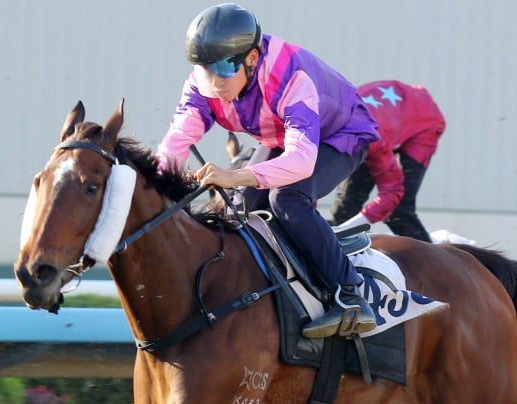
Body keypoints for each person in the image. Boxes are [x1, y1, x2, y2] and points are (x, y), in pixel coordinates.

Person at [155, 3, 380, 338]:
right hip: (283, 135)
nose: (214, 82)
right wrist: (157, 184)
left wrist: (233, 176)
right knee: (241, 206)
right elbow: (176, 143)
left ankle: (349, 295)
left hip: (339, 134)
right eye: (205, 69)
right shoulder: (202, 86)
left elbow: (301, 161)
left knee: (287, 198)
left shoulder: (290, 77)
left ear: (252, 57)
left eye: (224, 67)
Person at [329, 81, 446, 243]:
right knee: (345, 207)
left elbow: (392, 193)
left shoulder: (375, 143)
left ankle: (431, 258)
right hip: (381, 119)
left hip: (422, 120)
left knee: (398, 211)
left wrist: (342, 230)